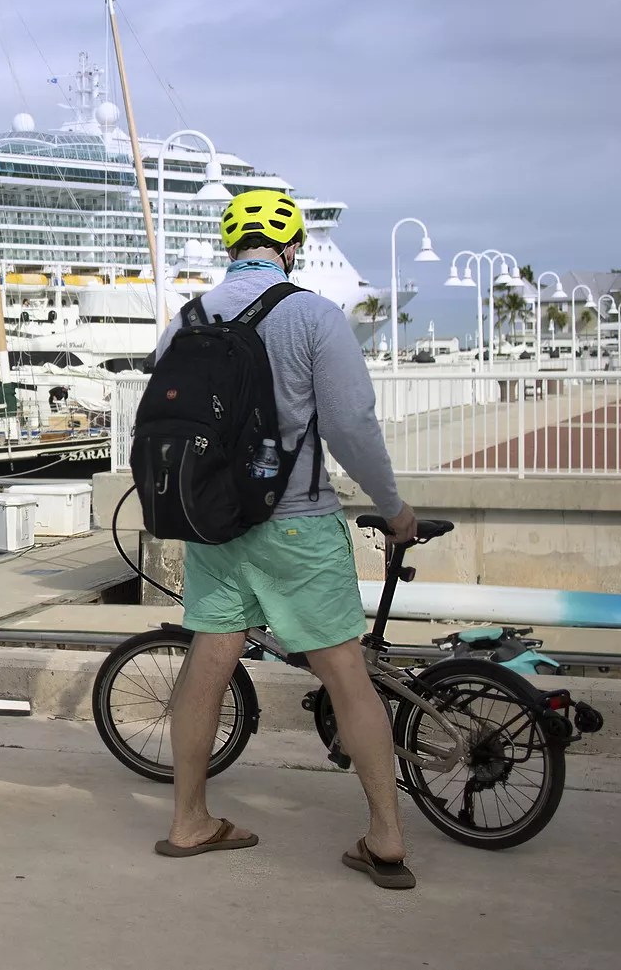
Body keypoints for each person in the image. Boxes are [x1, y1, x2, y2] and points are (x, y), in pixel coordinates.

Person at [148, 189, 421, 889]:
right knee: (346, 674)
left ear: (228, 246)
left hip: (213, 523)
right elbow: (353, 426)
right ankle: (386, 836)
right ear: (293, 246)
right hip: (297, 520)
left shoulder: (187, 319)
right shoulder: (311, 315)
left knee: (208, 662)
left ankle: (189, 820)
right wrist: (393, 509)